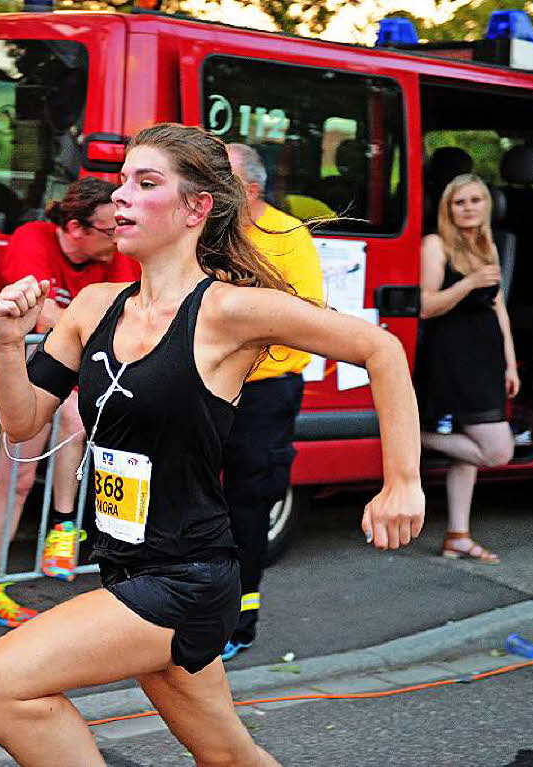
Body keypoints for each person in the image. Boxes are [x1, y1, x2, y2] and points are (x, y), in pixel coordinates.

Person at [0, 123, 424, 765]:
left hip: (187, 578)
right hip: (127, 563)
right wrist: (8, 340)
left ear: (195, 208)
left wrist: (401, 481)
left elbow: (381, 347)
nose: (120, 197)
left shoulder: (231, 311)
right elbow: (22, 422)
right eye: (121, 181)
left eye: (146, 184)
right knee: (230, 757)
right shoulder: (93, 306)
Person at [0, 177, 139, 627]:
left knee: (75, 418)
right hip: (7, 364)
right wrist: (83, 324)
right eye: (107, 229)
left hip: (64, 364)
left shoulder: (112, 258)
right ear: (75, 229)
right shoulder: (32, 239)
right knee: (16, 478)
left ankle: (61, 526)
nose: (117, 238)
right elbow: (41, 311)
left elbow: (124, 312)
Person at [219, 143, 324, 662]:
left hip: (264, 391)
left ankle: (241, 618)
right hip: (209, 385)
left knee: (248, 503)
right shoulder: (206, 228)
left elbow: (306, 316)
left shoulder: (288, 235)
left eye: (221, 176)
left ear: (251, 189)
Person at [416, 174, 517, 564]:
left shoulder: (486, 244)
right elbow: (428, 305)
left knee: (467, 454)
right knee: (496, 452)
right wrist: (471, 280)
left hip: (488, 360)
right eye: (460, 202)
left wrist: (509, 362)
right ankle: (412, 437)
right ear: (448, 207)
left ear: (486, 205)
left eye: (476, 200)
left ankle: (457, 535)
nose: (469, 207)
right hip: (455, 359)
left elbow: (499, 308)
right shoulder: (435, 244)